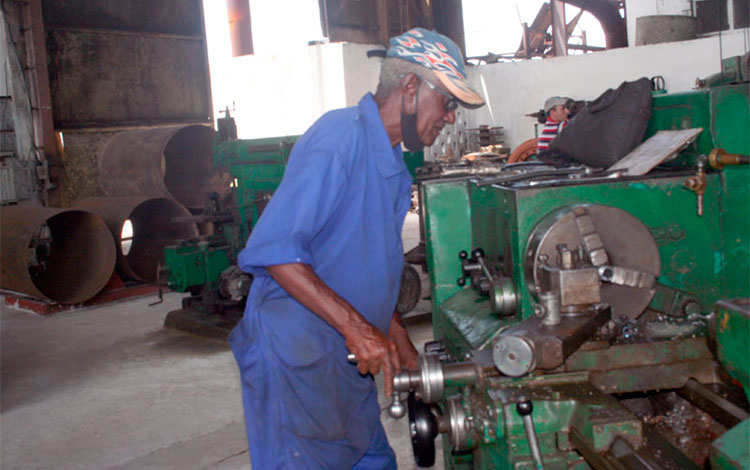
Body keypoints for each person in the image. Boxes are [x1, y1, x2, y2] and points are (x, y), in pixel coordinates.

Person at [229, 27, 484, 470]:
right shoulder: (339, 137)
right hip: (299, 356)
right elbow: (275, 251)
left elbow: (363, 262)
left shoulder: (392, 162)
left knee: (372, 460)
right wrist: (357, 329)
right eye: (447, 102)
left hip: (344, 356)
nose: (450, 118)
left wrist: (394, 331)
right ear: (409, 87)